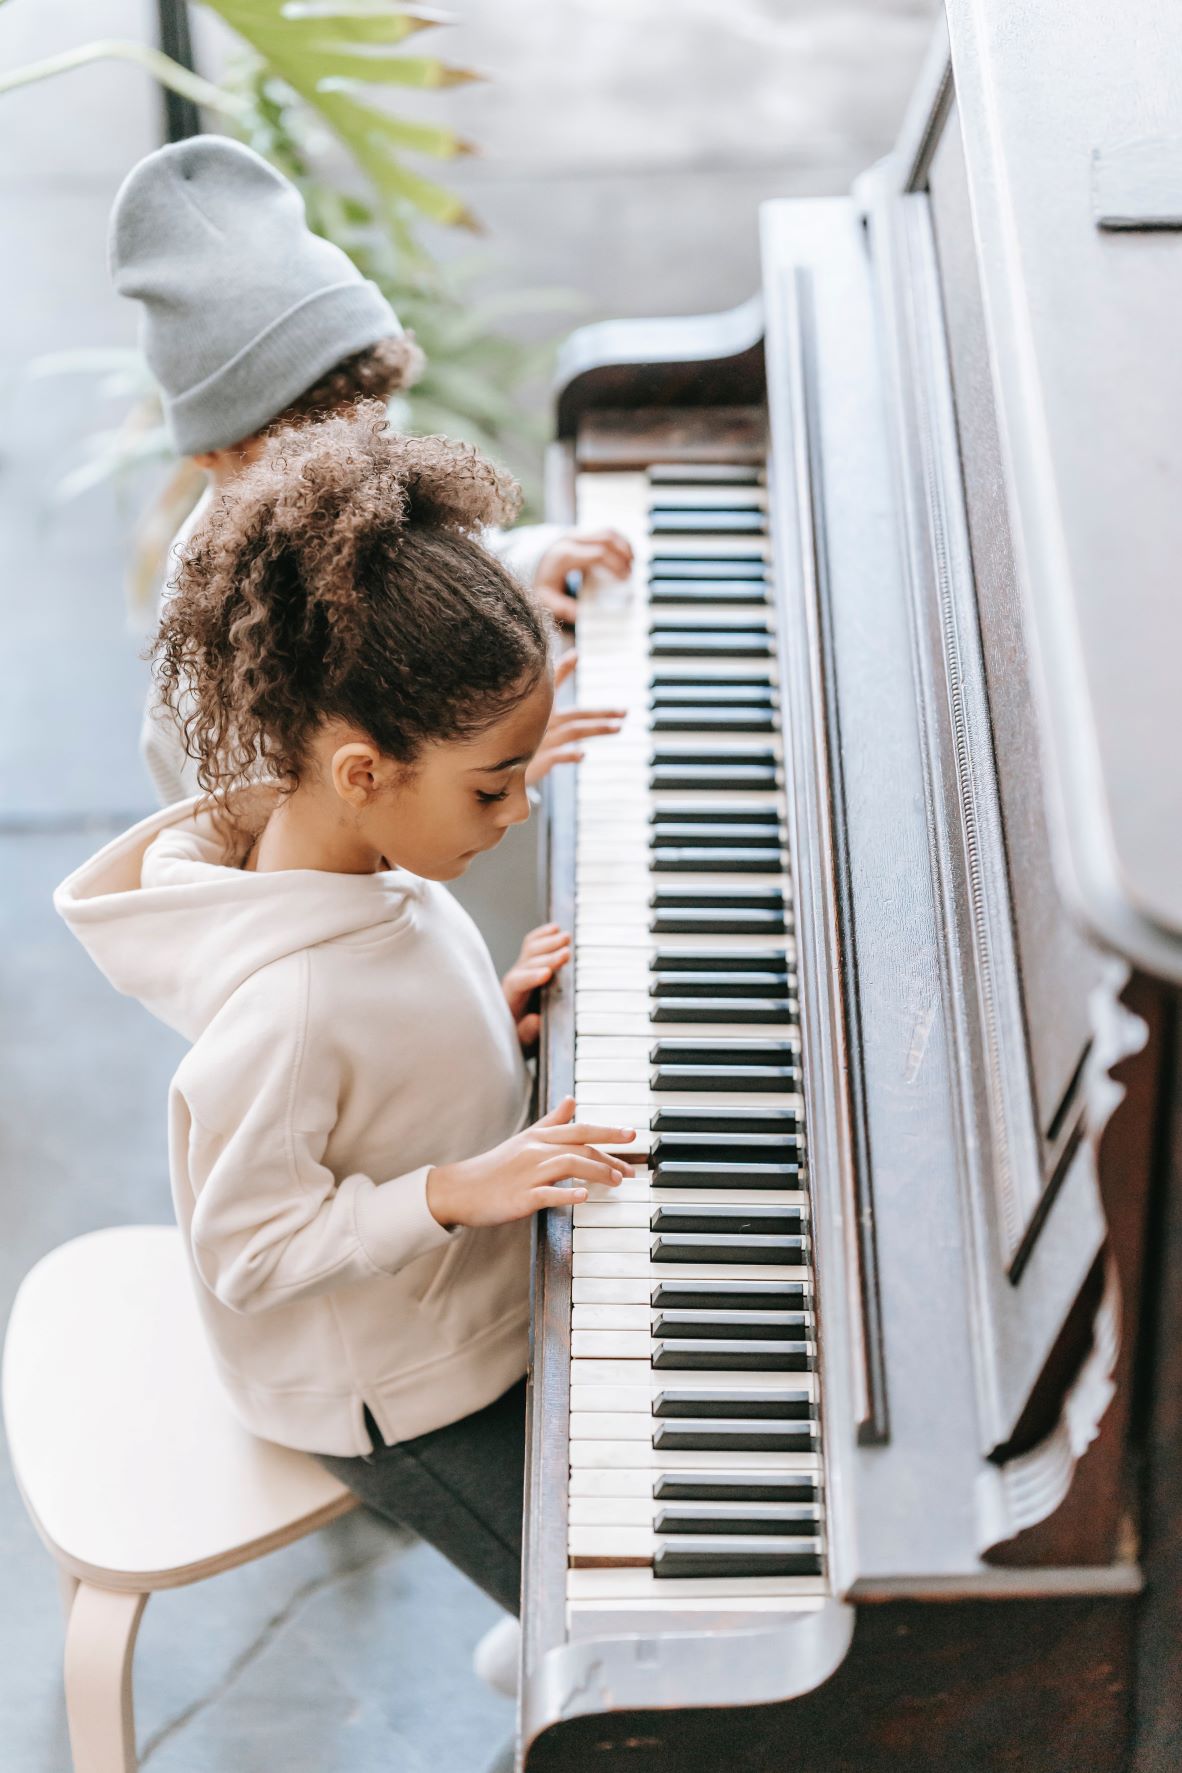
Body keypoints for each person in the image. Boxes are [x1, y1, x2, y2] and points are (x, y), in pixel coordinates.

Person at [55, 409, 636, 1671]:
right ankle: (544, 1656)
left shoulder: (364, 849)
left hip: (457, 1302)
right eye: (495, 785)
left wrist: (494, 1012)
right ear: (367, 771)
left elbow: (386, 1035)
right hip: (397, 1393)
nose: (518, 808)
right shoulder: (285, 1008)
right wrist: (452, 1188)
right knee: (613, 1624)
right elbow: (250, 1250)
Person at [107, 133, 630, 806]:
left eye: (373, 417)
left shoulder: (354, 468)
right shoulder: (218, 649)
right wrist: (492, 780)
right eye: (310, 440)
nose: (354, 453)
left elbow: (411, 558)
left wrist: (523, 562)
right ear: (211, 450)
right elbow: (286, 859)